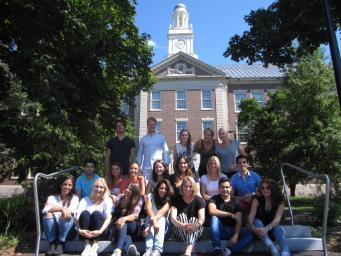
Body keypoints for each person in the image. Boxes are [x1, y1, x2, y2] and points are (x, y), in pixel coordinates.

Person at [208, 177, 254, 256]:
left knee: (252, 234)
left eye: (227, 187)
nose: (225, 189)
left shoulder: (236, 202)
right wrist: (230, 214)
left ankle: (229, 251)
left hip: (232, 230)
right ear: (219, 188)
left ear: (231, 188)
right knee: (214, 218)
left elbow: (239, 221)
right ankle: (217, 248)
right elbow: (211, 211)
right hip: (220, 230)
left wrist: (235, 236)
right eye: (222, 187)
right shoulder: (214, 199)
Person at [248, 178, 290, 256]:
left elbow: (277, 219)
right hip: (260, 231)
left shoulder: (280, 201)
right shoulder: (256, 200)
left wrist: (267, 228)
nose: (265, 190)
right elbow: (251, 217)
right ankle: (273, 248)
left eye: (268, 188)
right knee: (257, 221)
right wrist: (253, 228)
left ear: (273, 189)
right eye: (263, 188)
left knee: (278, 229)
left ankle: (285, 252)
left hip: (272, 227)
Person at [42, 176, 79, 255]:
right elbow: (45, 210)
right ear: (60, 185)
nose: (67, 187)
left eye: (70, 185)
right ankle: (52, 243)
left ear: (72, 187)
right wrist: (61, 208)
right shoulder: (52, 198)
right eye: (64, 184)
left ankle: (60, 243)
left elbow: (71, 212)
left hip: (68, 230)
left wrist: (54, 208)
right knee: (48, 213)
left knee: (66, 214)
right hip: (54, 229)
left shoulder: (75, 198)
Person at [170, 176, 205, 256]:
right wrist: (182, 225)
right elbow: (172, 218)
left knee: (193, 219)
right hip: (179, 231)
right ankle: (190, 249)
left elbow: (202, 218)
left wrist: (195, 226)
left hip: (196, 231)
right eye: (185, 186)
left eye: (190, 186)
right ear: (182, 187)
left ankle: (188, 251)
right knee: (182, 216)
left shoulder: (199, 200)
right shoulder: (176, 199)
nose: (188, 188)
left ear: (193, 188)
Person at [77, 178, 113, 256]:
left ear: (104, 189)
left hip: (101, 231)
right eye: (96, 186)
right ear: (93, 187)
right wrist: (79, 229)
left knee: (96, 213)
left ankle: (95, 245)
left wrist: (100, 231)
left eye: (101, 187)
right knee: (85, 213)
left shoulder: (107, 200)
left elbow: (109, 217)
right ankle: (87, 245)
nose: (98, 189)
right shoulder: (84, 200)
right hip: (85, 232)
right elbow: (78, 216)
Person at [111, 183, 144, 256]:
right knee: (126, 237)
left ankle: (118, 250)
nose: (127, 190)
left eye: (130, 189)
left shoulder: (138, 199)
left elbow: (135, 215)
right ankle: (131, 251)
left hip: (133, 227)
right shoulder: (119, 197)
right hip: (120, 228)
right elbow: (113, 211)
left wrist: (123, 218)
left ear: (134, 192)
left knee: (123, 222)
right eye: (127, 188)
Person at [143, 179, 174, 256]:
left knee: (161, 218)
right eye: (161, 188)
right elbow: (148, 209)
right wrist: (152, 222)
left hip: (165, 230)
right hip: (151, 228)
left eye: (165, 189)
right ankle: (149, 250)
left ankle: (157, 250)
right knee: (148, 217)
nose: (163, 190)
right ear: (157, 189)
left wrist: (150, 225)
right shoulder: (151, 196)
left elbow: (161, 212)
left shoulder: (169, 199)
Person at [137, 116, 170, 183]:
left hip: (158, 168)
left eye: (153, 124)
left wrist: (166, 164)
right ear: (147, 125)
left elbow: (165, 151)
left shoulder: (161, 138)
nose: (151, 126)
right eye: (149, 124)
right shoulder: (143, 139)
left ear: (155, 125)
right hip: (146, 167)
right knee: (146, 185)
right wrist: (138, 166)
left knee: (159, 185)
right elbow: (140, 153)